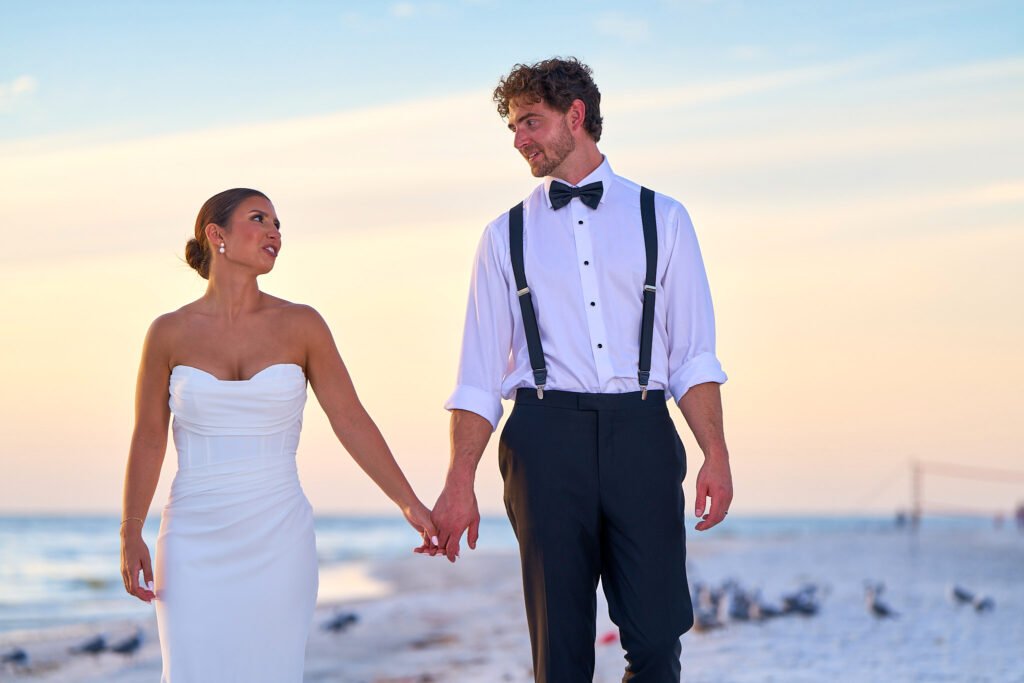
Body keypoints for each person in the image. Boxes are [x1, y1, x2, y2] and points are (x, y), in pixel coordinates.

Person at [424, 58, 734, 682]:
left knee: (654, 640)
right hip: (543, 438)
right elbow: (479, 375)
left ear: (576, 115)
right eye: (513, 128)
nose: (519, 140)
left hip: (643, 432)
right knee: (560, 653)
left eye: (530, 122)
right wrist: (461, 479)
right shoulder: (503, 236)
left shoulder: (663, 218)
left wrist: (715, 451)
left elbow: (693, 354)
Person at [119, 188, 437, 682]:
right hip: (191, 538)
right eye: (259, 218)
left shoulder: (302, 325)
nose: (275, 232)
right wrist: (130, 528)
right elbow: (148, 438)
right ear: (215, 235)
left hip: (278, 536)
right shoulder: (168, 332)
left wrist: (409, 503)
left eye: (279, 224)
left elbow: (351, 420)